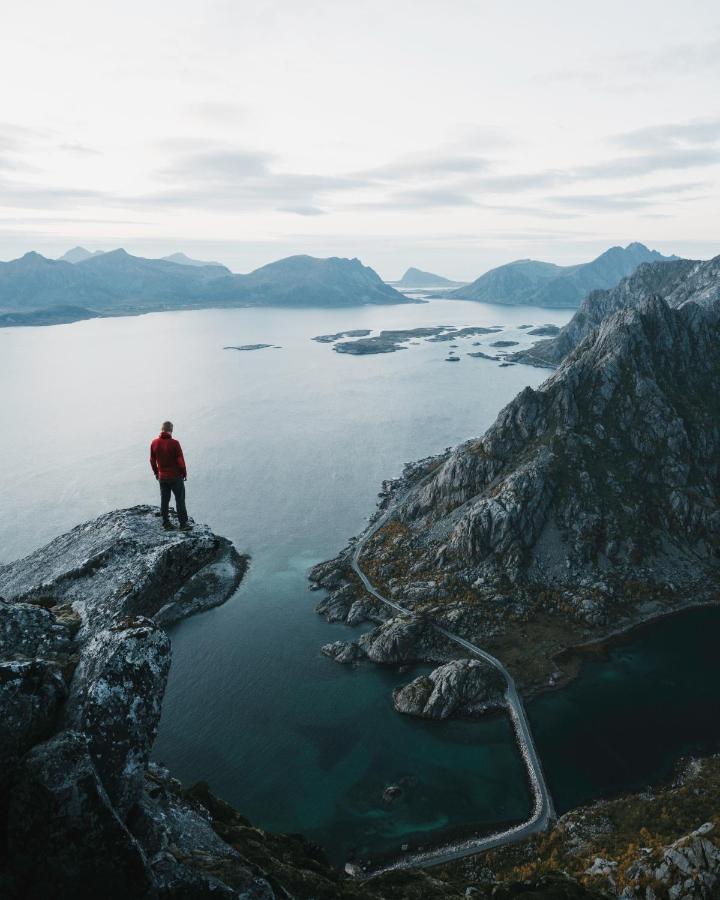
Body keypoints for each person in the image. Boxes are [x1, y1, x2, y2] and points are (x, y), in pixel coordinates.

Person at [150, 421, 191, 531]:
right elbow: (180, 461)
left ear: (161, 429)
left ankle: (166, 523)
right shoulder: (174, 443)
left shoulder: (154, 443)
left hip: (162, 477)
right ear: (171, 430)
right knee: (180, 500)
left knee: (164, 499)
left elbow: (152, 460)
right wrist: (184, 473)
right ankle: (183, 525)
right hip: (175, 476)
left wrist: (156, 472)